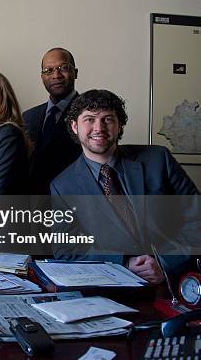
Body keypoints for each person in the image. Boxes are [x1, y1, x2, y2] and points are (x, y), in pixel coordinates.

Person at [50, 89, 199, 284]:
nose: (99, 128)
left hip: (179, 283)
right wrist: (124, 263)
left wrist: (165, 262)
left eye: (107, 119)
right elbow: (67, 250)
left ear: (119, 125)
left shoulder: (159, 159)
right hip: (114, 290)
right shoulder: (62, 186)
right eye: (89, 119)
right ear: (74, 126)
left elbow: (196, 219)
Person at [23, 47, 82, 194]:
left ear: (75, 73)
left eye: (63, 68)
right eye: (48, 70)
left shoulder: (89, 115)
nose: (56, 75)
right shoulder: (28, 117)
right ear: (42, 77)